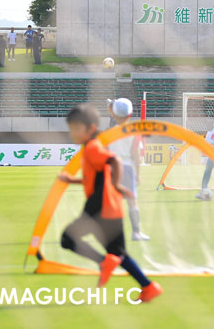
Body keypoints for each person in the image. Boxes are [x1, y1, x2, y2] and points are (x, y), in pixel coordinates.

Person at [56, 105, 163, 300]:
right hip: (111, 208)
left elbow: (114, 161)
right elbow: (96, 177)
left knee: (67, 239)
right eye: (71, 128)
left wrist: (117, 184)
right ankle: (148, 287)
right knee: (119, 254)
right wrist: (72, 181)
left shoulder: (92, 147)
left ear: (90, 128)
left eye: (76, 128)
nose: (72, 133)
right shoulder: (92, 145)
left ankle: (103, 262)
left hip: (100, 206)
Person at [107, 98, 150, 241]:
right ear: (130, 114)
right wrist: (138, 174)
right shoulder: (133, 132)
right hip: (127, 167)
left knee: (113, 202)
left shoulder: (110, 132)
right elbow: (136, 154)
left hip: (113, 167)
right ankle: (136, 232)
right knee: (132, 201)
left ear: (114, 114)